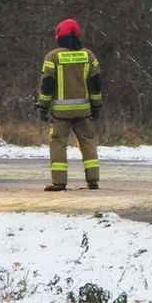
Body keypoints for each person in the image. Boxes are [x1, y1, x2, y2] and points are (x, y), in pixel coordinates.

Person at [36, 18, 103, 191]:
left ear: (60, 37)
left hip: (60, 113)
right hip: (84, 111)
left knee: (58, 143)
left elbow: (47, 86)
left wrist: (43, 107)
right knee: (88, 142)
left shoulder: (53, 57)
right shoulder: (89, 56)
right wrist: (96, 106)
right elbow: (95, 85)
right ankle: (93, 180)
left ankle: (59, 182)